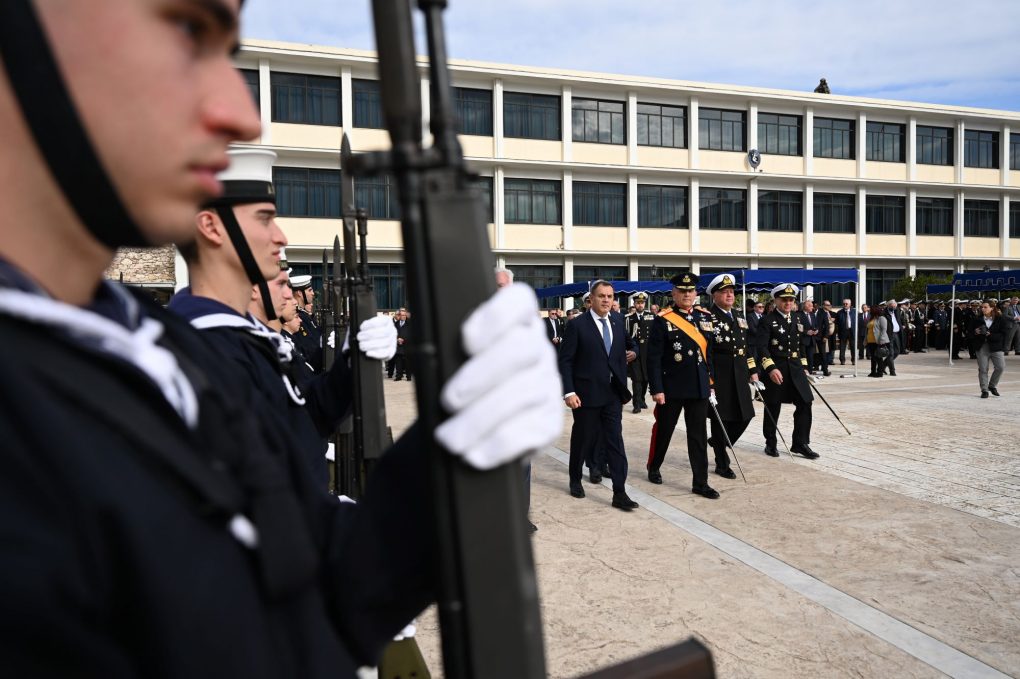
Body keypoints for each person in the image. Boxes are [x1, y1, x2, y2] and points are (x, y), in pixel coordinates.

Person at [0, 1, 564, 674]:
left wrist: (451, 449)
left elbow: (295, 578)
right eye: (186, 30)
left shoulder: (148, 344)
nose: (240, 114)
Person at [559, 280, 640, 510]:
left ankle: (619, 492)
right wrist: (569, 391)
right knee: (583, 439)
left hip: (613, 393)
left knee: (615, 442)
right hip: (586, 394)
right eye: (601, 296)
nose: (606, 300)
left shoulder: (617, 321)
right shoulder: (577, 325)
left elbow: (631, 343)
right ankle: (575, 478)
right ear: (591, 299)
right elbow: (565, 361)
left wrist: (634, 352)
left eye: (610, 296)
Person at [645, 273, 719, 498]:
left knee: (698, 436)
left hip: (698, 386)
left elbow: (709, 354)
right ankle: (654, 465)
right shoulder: (663, 319)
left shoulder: (704, 317)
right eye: (682, 291)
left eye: (690, 291)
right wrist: (657, 389)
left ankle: (701, 482)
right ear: (674, 293)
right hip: (672, 387)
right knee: (665, 430)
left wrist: (711, 382)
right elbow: (653, 358)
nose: (687, 295)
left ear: (696, 293)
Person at [704, 274, 760, 480]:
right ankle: (722, 463)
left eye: (731, 292)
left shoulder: (739, 315)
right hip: (720, 375)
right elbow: (707, 351)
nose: (729, 295)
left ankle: (719, 442)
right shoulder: (708, 317)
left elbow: (747, 347)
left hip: (740, 373)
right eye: (724, 292)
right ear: (714, 295)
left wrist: (753, 370)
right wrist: (709, 378)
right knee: (721, 419)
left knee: (746, 414)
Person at [759, 284, 819, 459]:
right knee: (773, 405)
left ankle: (800, 443)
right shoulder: (767, 320)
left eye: (791, 300)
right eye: (784, 300)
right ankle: (770, 442)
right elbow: (761, 347)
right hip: (776, 367)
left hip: (795, 368)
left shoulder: (798, 318)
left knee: (806, 402)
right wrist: (770, 368)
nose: (788, 303)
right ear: (776, 300)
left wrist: (805, 367)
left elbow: (800, 346)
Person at [971, 300, 1008, 398]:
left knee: (1000, 367)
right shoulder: (976, 319)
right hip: (981, 346)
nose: (983, 309)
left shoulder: (1000, 318)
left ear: (992, 308)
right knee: (983, 369)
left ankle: (992, 386)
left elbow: (1004, 334)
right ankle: (984, 390)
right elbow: (969, 332)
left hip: (996, 346)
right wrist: (975, 332)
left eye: (985, 307)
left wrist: (990, 335)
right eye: (982, 307)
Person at [626, 292, 656, 412]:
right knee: (637, 379)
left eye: (642, 303)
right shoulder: (629, 318)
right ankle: (636, 404)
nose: (640, 305)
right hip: (635, 353)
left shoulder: (651, 317)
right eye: (638, 303)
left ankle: (642, 399)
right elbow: (627, 336)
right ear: (634, 304)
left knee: (645, 378)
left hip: (647, 353)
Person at [866, 306, 894, 377]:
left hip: (878, 341)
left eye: (871, 310)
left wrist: (882, 340)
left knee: (878, 357)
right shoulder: (871, 318)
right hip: (870, 341)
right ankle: (873, 371)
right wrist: (865, 340)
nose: (869, 311)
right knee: (873, 357)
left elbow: (884, 330)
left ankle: (880, 372)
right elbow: (868, 329)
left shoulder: (882, 318)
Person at [835, 298, 856, 365]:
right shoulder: (839, 312)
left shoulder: (854, 312)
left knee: (853, 346)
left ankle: (854, 360)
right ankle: (842, 360)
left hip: (852, 331)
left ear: (850, 304)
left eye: (846, 304)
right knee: (842, 347)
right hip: (843, 331)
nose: (845, 305)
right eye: (844, 304)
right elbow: (837, 323)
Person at [393, 308, 412, 380]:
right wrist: (397, 339)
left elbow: (412, 335)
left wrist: (404, 340)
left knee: (408, 363)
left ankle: (408, 376)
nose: (404, 316)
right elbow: (392, 334)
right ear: (399, 316)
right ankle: (398, 376)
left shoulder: (409, 324)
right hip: (398, 347)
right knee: (398, 363)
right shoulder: (395, 324)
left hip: (407, 346)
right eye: (402, 315)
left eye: (404, 315)